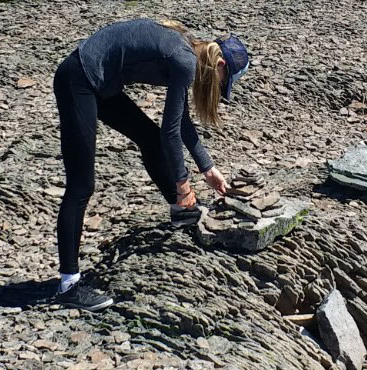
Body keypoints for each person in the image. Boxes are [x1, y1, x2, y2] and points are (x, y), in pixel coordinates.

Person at [52, 17, 250, 310]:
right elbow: (171, 131)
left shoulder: (187, 50)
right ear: (220, 65)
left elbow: (180, 121)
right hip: (78, 80)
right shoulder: (184, 60)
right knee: (81, 185)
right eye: (225, 81)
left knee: (150, 139)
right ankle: (68, 285)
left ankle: (182, 212)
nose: (220, 88)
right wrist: (183, 184)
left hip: (101, 83)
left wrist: (207, 168)